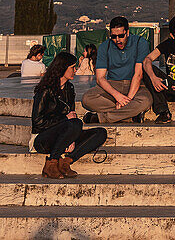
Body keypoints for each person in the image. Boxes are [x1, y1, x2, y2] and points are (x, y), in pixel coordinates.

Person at [31, 51, 107, 179]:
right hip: (43, 139)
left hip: (64, 134)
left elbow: (71, 114)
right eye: (72, 67)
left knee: (100, 133)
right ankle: (51, 163)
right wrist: (65, 120)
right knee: (75, 123)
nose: (75, 70)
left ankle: (66, 162)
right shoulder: (45, 90)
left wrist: (71, 136)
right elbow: (37, 123)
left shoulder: (69, 89)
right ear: (62, 68)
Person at [81, 16, 152, 124]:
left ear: (127, 33)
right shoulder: (105, 46)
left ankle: (101, 118)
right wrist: (118, 96)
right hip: (113, 85)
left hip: (136, 86)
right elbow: (100, 78)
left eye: (121, 36)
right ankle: (129, 117)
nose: (117, 40)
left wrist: (127, 99)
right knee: (87, 99)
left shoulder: (140, 43)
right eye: (114, 36)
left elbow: (138, 75)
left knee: (146, 101)